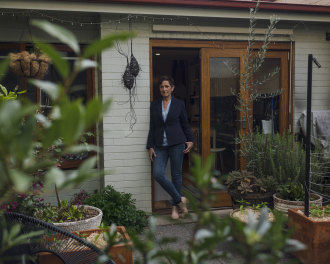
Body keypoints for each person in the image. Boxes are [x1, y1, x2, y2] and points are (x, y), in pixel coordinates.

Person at [147, 76, 194, 219]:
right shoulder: (154, 105)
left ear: (172, 88)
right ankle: (180, 200)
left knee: (176, 175)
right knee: (158, 174)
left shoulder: (179, 104)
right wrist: (150, 146)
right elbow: (153, 126)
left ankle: (175, 208)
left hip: (177, 143)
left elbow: (185, 123)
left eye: (167, 86)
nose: (164, 89)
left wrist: (190, 140)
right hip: (160, 145)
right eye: (162, 87)